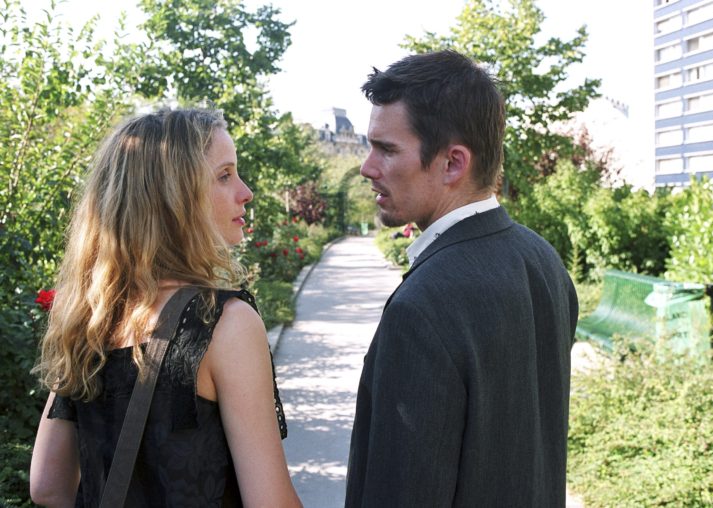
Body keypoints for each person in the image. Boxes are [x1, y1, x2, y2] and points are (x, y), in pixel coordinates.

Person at [29, 107, 303, 507]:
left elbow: (47, 486)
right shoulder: (223, 324)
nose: (246, 192)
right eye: (224, 176)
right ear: (172, 199)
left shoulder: (91, 322)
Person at [345, 50, 579, 507]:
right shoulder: (545, 262)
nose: (367, 167)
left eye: (387, 149)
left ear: (453, 163)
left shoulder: (424, 305)